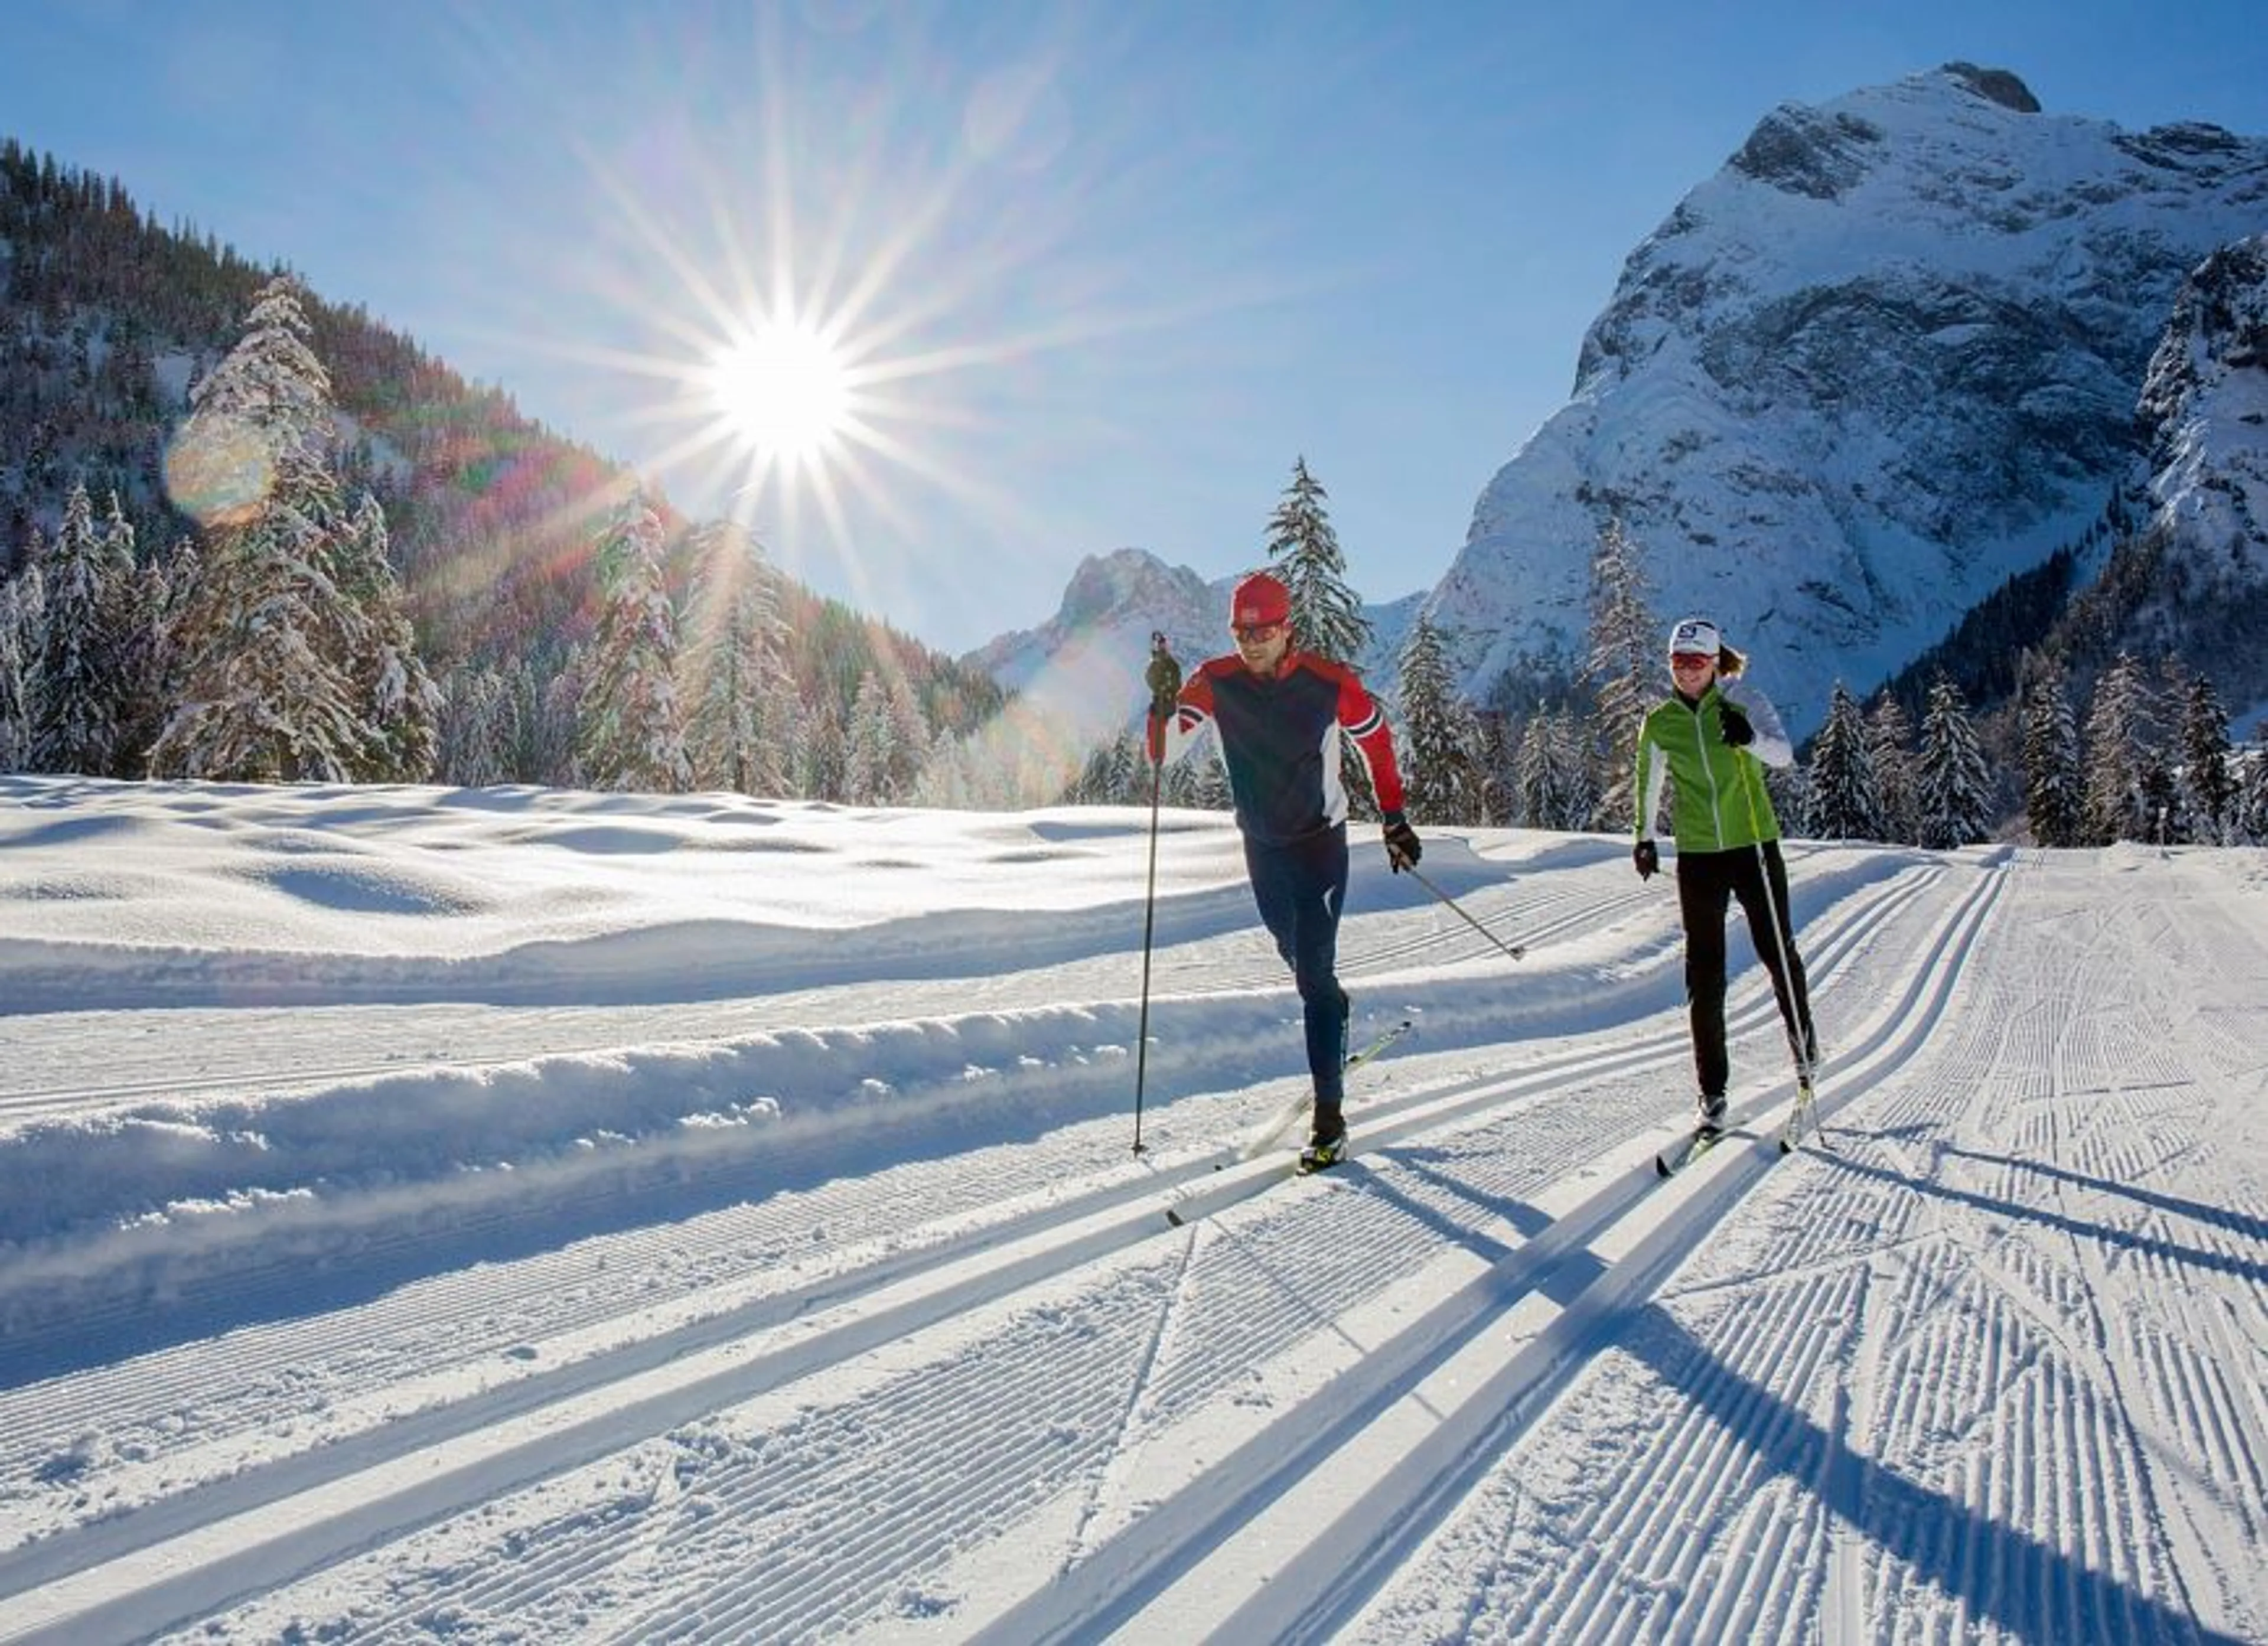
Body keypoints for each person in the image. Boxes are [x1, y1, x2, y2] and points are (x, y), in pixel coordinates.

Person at [1146, 571, 1422, 1171]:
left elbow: (1376, 742)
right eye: (1242, 633)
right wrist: (1162, 701)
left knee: (1313, 978)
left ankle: (1329, 1120)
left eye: (1263, 632)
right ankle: (1332, 1006)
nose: (1251, 643)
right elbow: (1164, 750)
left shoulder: (1329, 682)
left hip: (1320, 844)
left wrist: (1395, 818)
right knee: (1298, 961)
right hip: (1262, 847)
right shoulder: (1216, 680)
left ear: (1286, 628)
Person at [1632, 615, 1817, 1135]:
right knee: (1704, 973)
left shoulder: (1745, 702)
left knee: (1777, 952)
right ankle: (1712, 1093)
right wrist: (1644, 837)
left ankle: (1806, 1056)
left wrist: (1749, 737)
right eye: (1678, 661)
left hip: (1753, 843)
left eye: (1696, 661)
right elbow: (1648, 780)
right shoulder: (1661, 722)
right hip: (1699, 855)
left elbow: (1783, 756)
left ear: (1715, 663)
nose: (1686, 671)